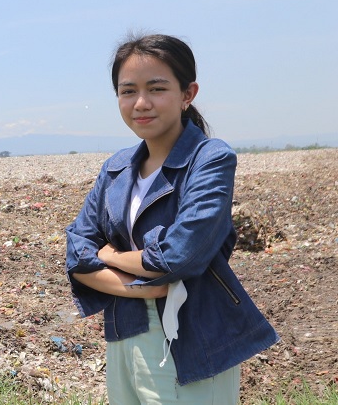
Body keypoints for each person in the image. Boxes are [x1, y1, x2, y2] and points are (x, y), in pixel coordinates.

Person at [65, 34, 278, 404]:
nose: (141, 103)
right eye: (127, 91)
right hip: (124, 334)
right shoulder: (115, 168)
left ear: (187, 94)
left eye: (157, 88)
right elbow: (75, 252)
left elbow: (178, 256)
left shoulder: (209, 159)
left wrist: (110, 256)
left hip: (190, 339)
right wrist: (142, 287)